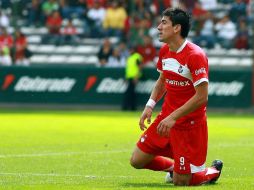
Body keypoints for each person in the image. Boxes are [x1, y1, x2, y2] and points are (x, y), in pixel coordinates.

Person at [130, 7, 223, 186]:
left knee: (182, 183)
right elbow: (162, 80)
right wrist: (150, 105)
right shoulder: (165, 51)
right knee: (137, 160)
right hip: (166, 119)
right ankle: (177, 168)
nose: (158, 27)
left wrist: (173, 117)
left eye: (164, 22)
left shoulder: (195, 55)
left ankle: (211, 172)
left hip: (189, 126)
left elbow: (202, 97)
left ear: (176, 28)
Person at [122, 46, 142, 111]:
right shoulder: (129, 57)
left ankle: (128, 107)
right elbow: (128, 68)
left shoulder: (137, 57)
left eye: (131, 49)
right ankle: (132, 107)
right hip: (129, 77)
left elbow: (140, 67)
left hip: (134, 77)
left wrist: (136, 77)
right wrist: (126, 77)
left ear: (134, 49)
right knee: (131, 92)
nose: (129, 51)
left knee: (129, 92)